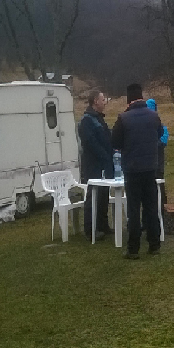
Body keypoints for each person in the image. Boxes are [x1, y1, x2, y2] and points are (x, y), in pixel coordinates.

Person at [112, 84, 163, 259]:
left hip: (132, 170)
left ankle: (133, 249)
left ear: (129, 100)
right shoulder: (153, 116)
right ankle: (154, 244)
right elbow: (159, 134)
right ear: (142, 97)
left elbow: (115, 142)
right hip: (150, 168)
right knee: (151, 207)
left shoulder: (123, 118)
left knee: (133, 209)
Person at [78, 89, 114, 240]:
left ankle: (103, 225)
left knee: (104, 194)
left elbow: (107, 138)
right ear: (95, 101)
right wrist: (104, 155)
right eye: (103, 99)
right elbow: (90, 143)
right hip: (92, 165)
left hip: (104, 164)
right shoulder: (87, 120)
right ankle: (90, 229)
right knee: (93, 195)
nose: (105, 102)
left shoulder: (99, 119)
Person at [145, 98, 169, 204]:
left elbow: (162, 143)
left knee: (158, 189)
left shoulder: (161, 127)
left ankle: (162, 207)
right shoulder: (161, 127)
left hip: (156, 165)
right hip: (152, 166)